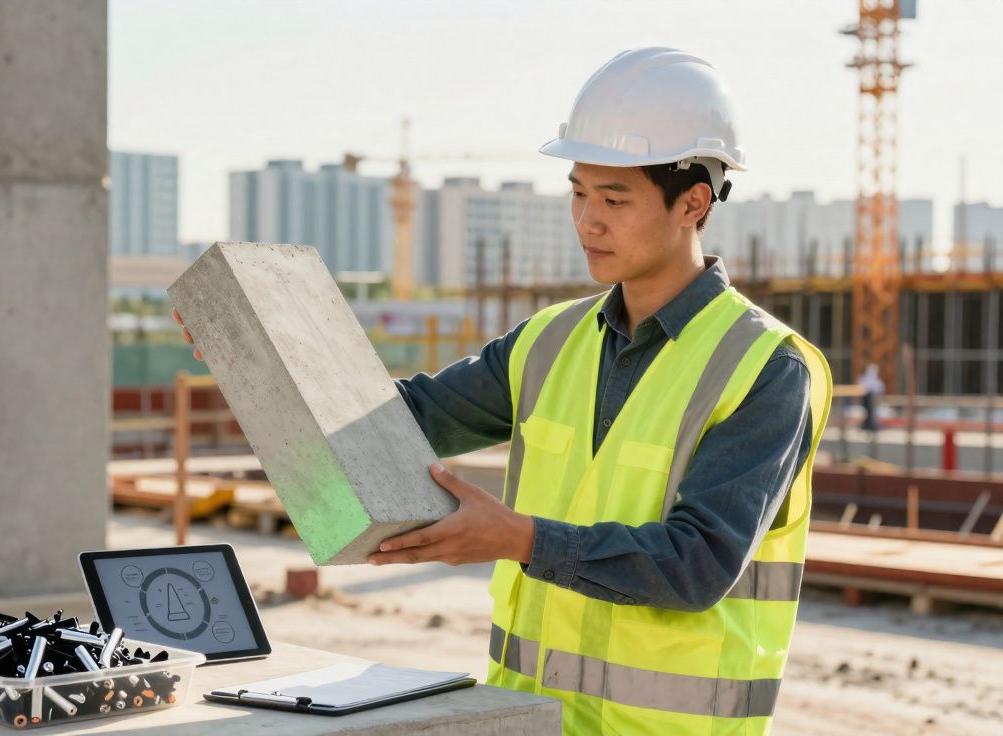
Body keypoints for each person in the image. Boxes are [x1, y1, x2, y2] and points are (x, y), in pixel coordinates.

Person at [176, 47, 832, 735]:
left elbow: (697, 564)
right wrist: (252, 353)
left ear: (693, 202)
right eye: (579, 192)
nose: (588, 221)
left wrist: (516, 537)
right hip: (528, 722)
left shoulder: (766, 368)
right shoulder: (550, 341)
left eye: (614, 199)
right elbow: (397, 420)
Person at [859, 363, 885, 432]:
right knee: (870, 413)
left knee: (873, 413)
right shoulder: (865, 378)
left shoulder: (874, 379)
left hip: (872, 399)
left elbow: (880, 387)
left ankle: (871, 425)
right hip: (867, 399)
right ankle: (869, 425)